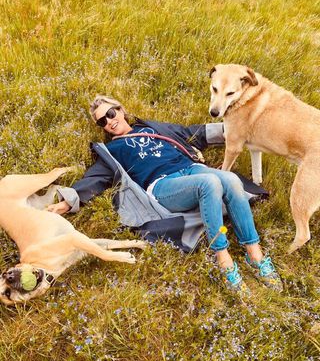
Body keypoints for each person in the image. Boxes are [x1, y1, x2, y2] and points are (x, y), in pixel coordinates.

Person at [48, 95, 282, 295]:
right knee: (209, 182)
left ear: (120, 110)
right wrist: (67, 203)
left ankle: (256, 256)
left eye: (110, 113)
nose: (109, 121)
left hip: (192, 169)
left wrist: (232, 130)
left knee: (230, 179)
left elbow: (191, 133)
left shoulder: (152, 128)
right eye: (102, 120)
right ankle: (223, 259)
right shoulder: (112, 150)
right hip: (163, 185)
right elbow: (95, 178)